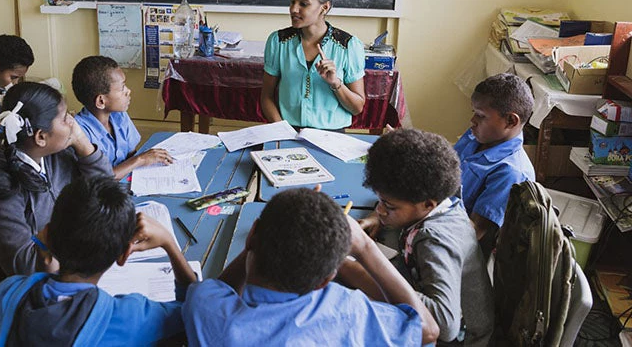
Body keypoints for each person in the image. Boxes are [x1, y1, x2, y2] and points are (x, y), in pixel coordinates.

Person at [0, 82, 112, 346]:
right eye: (65, 118)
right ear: (40, 136)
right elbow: (24, 265)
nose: (72, 121)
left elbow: (105, 192)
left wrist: (84, 144)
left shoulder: (51, 154)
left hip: (43, 272)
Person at [182, 187, 439, 346]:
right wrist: (364, 247)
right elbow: (428, 331)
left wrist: (270, 231)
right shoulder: (350, 310)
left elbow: (218, 290)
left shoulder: (205, 308)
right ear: (326, 280)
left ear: (252, 236)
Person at [0, 177, 197, 346]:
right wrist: (169, 243)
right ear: (125, 254)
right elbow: (195, 312)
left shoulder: (9, 292)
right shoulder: (128, 316)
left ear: (47, 235)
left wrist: (46, 255)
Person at [359, 129, 494, 346]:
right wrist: (378, 217)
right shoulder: (444, 199)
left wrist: (369, 267)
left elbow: (446, 325)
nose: (381, 210)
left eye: (389, 206)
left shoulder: (434, 240)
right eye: (380, 201)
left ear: (428, 204)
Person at [261, 0, 366, 131]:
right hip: (288, 130)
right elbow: (266, 97)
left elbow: (357, 108)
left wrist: (335, 83)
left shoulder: (348, 45)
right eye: (292, 1)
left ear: (324, 8)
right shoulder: (278, 41)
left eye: (303, 4)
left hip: (331, 136)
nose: (293, 9)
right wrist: (282, 130)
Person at [454, 73, 535, 253]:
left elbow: (472, 232)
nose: (473, 121)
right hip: (434, 218)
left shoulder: (511, 173)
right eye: (474, 112)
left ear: (511, 121)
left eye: (481, 116)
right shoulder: (475, 137)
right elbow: (444, 164)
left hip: (459, 249)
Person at [72, 56, 172, 179]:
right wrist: (141, 159)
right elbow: (101, 180)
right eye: (122, 88)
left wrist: (149, 159)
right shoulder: (80, 132)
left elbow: (131, 154)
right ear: (101, 101)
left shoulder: (119, 115)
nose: (128, 91)